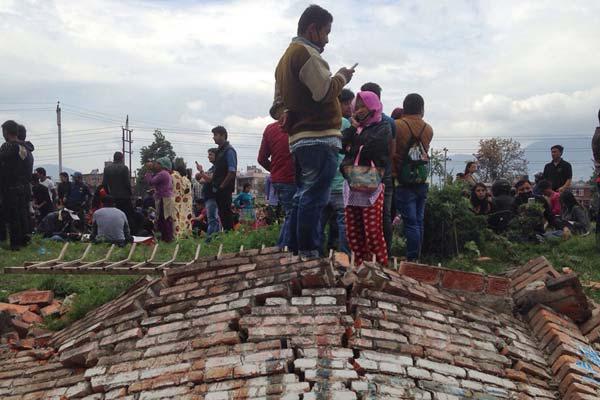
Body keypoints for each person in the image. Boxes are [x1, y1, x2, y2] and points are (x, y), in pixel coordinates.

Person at [272, 4, 354, 259]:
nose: (327, 40)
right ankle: (308, 253)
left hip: (299, 141)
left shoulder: (284, 60)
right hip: (319, 138)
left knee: (302, 197)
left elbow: (277, 106)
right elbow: (324, 91)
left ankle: (292, 251)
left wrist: (284, 113)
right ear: (312, 29)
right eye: (326, 32)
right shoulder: (305, 53)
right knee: (314, 198)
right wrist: (342, 76)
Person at [341, 91, 390, 266]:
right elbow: (341, 144)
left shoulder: (383, 126)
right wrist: (354, 129)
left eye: (363, 106)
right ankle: (360, 268)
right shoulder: (354, 128)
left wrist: (355, 143)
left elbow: (372, 148)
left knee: (372, 233)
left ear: (373, 107)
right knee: (353, 233)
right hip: (352, 184)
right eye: (357, 107)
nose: (359, 110)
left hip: (371, 186)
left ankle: (380, 269)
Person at [393, 94, 434, 261]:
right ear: (422, 109)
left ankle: (411, 258)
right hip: (422, 180)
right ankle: (417, 257)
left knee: (410, 222)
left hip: (401, 180)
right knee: (418, 221)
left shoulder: (397, 125)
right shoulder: (428, 129)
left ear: (404, 107)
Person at [360, 83, 396, 258]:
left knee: (362, 216)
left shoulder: (359, 123)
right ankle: (383, 255)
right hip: (384, 174)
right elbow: (392, 151)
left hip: (360, 176)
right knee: (384, 216)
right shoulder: (389, 122)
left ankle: (366, 255)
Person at [321, 89, 353, 256]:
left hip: (323, 182)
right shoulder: (345, 123)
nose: (350, 107)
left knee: (320, 222)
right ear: (337, 103)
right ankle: (344, 257)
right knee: (343, 222)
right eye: (346, 103)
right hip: (340, 182)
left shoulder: (321, 122)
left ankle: (317, 255)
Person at [258, 107, 295, 248]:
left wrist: (275, 170)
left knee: (290, 215)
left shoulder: (270, 129)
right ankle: (283, 248)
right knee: (293, 215)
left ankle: (283, 247)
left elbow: (261, 158)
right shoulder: (296, 126)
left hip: (279, 179)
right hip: (292, 178)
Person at [0, 120, 33, 250]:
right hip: (24, 187)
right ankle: (24, 240)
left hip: (10, 186)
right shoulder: (26, 148)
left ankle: (15, 244)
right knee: (22, 214)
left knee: (12, 216)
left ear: (6, 132)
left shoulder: (9, 146)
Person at [211, 126, 237, 232]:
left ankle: (230, 238)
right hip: (218, 189)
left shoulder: (229, 151)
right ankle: (227, 238)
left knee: (226, 215)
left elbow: (232, 171)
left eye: (216, 135)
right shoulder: (219, 151)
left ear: (223, 135)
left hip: (224, 189)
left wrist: (222, 186)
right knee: (222, 214)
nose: (213, 138)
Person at [144, 157, 175, 242]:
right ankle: (167, 238)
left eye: (157, 163)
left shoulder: (162, 174)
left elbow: (151, 182)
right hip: (166, 198)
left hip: (163, 199)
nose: (155, 165)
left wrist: (149, 170)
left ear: (162, 165)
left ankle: (167, 238)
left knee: (163, 218)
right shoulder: (166, 173)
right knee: (165, 218)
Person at [102, 151, 134, 232]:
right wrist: (131, 194)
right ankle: (127, 233)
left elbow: (104, 184)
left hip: (112, 198)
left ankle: (113, 232)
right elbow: (127, 183)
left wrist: (108, 195)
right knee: (126, 216)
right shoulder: (124, 168)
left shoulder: (107, 169)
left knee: (113, 216)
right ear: (122, 158)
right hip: (124, 197)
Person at [196, 148, 221, 240]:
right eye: (208, 154)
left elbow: (209, 179)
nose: (208, 156)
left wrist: (201, 172)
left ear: (216, 156)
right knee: (214, 220)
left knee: (212, 220)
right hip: (208, 197)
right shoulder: (211, 168)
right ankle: (216, 239)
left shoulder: (218, 167)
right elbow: (202, 180)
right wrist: (203, 175)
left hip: (212, 197)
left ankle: (209, 241)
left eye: (211, 154)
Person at [172, 160, 193, 239]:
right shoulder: (187, 180)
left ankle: (178, 235)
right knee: (186, 218)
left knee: (178, 218)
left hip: (179, 202)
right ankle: (186, 234)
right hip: (188, 202)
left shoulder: (177, 177)